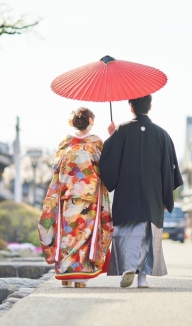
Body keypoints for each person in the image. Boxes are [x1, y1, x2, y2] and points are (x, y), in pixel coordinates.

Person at [99, 95, 183, 288]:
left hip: (127, 193)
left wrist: (112, 137)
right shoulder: (162, 134)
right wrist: (165, 196)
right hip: (152, 194)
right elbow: (169, 169)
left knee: (125, 232)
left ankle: (128, 267)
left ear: (131, 107)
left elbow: (108, 163)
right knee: (147, 234)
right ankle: (142, 278)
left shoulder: (121, 131)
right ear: (150, 106)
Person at [38, 107, 113, 288]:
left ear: (73, 123)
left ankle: (66, 273)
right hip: (89, 197)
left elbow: (56, 166)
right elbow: (106, 165)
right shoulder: (95, 142)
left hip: (66, 196)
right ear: (91, 122)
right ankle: (80, 277)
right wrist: (114, 137)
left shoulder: (66, 143)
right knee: (84, 234)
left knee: (67, 233)